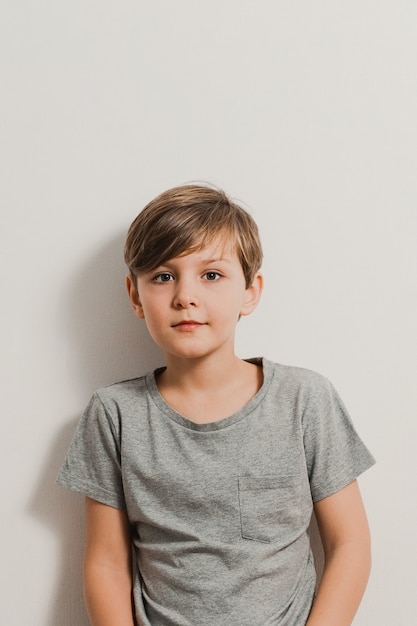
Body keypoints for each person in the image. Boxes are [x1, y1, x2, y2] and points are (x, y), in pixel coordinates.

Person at [57, 183, 375, 626]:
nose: (186, 295)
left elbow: (350, 543)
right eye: (164, 276)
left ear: (250, 290)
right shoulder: (115, 414)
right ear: (135, 295)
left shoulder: (305, 399)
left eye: (211, 275)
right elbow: (106, 563)